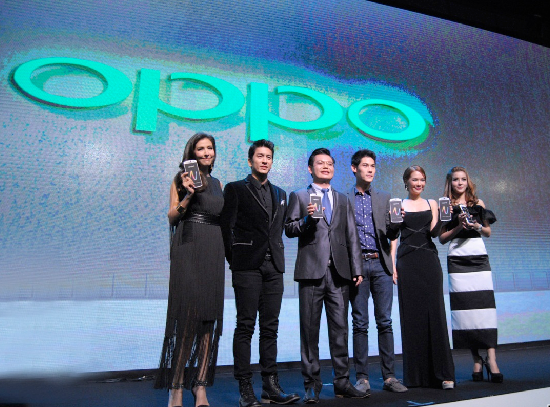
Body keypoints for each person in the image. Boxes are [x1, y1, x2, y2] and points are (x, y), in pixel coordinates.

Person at [220, 140, 300, 407]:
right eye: (260, 156)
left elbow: (281, 229)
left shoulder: (280, 193)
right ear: (250, 160)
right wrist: (236, 259)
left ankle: (270, 386)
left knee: (270, 328)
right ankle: (245, 388)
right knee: (245, 326)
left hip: (274, 266)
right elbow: (226, 228)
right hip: (247, 266)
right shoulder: (235, 189)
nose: (265, 160)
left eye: (269, 157)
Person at [285, 148, 367, 403]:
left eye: (329, 163)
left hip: (340, 273)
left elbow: (351, 235)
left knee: (340, 330)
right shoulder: (299, 195)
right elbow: (289, 229)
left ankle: (342, 382)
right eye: (320, 163)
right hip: (311, 272)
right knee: (309, 331)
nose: (326, 166)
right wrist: (308, 220)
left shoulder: (342, 199)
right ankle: (311, 384)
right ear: (310, 169)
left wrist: (357, 268)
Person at [155, 132, 225, 407]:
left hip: (213, 249)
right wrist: (188, 196)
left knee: (208, 321)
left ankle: (201, 385)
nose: (206, 152)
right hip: (189, 247)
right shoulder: (180, 179)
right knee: (187, 321)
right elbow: (172, 217)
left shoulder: (219, 184)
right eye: (201, 149)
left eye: (210, 148)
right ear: (192, 153)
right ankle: (176, 386)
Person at [345, 150, 407, 394]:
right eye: (365, 165)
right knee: (360, 323)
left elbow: (391, 234)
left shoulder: (384, 197)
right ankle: (362, 378)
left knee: (385, 322)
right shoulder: (344, 198)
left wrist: (397, 224)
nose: (370, 170)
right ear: (354, 168)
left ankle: (389, 377)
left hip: (381, 265)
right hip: (357, 265)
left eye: (373, 166)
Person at [388, 165, 455, 389]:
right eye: (415, 179)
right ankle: (416, 376)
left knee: (436, 314)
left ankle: (443, 374)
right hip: (407, 263)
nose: (419, 183)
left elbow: (435, 233)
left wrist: (444, 219)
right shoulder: (397, 204)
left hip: (429, 261)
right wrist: (392, 265)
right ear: (406, 182)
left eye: (422, 179)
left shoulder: (432, 203)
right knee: (412, 317)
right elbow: (393, 237)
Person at [439, 166, 502, 383]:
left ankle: (492, 359)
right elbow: (442, 238)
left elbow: (488, 232)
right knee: (465, 310)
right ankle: (476, 360)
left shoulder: (478, 203)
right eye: (456, 179)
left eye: (463, 179)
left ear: (468, 181)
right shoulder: (445, 205)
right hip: (457, 259)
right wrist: (458, 226)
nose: (460, 183)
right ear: (450, 182)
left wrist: (476, 226)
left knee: (485, 308)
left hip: (478, 257)